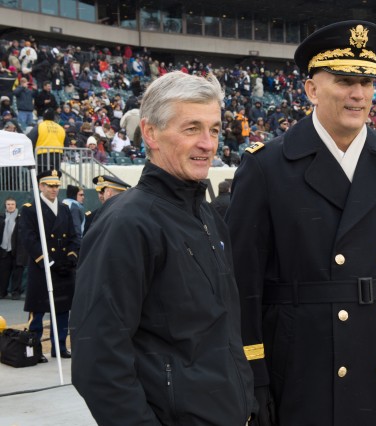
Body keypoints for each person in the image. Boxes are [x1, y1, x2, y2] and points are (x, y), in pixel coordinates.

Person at [226, 21, 376, 426]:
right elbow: (242, 284)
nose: (358, 94)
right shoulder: (266, 166)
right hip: (302, 358)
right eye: (343, 81)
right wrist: (252, 374)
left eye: (367, 83)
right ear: (311, 89)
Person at [70, 71, 255, 425]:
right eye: (192, 128)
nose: (208, 143)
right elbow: (98, 359)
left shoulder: (208, 217)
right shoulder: (127, 222)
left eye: (214, 130)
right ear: (151, 133)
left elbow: (221, 332)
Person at [19, 170, 79, 362]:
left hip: (63, 268)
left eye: (56, 186)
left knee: (62, 310)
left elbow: (73, 236)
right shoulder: (30, 209)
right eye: (50, 186)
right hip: (42, 267)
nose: (54, 189)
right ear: (41, 186)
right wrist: (48, 261)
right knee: (39, 310)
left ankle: (59, 346)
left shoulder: (64, 209)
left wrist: (70, 257)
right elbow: (29, 239)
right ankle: (35, 347)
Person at [0, 197, 27, 300]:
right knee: (3, 273)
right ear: (5, 206)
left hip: (18, 250)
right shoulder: (2, 218)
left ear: (16, 206)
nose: (10, 206)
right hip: (4, 250)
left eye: (12, 204)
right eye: (8, 204)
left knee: (17, 273)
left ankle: (16, 292)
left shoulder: (21, 218)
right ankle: (2, 292)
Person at [28, 108, 66, 174]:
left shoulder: (40, 126)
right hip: (57, 156)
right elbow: (66, 143)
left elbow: (30, 140)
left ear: (44, 117)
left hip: (42, 156)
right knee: (54, 176)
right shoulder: (60, 128)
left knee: (42, 177)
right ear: (54, 117)